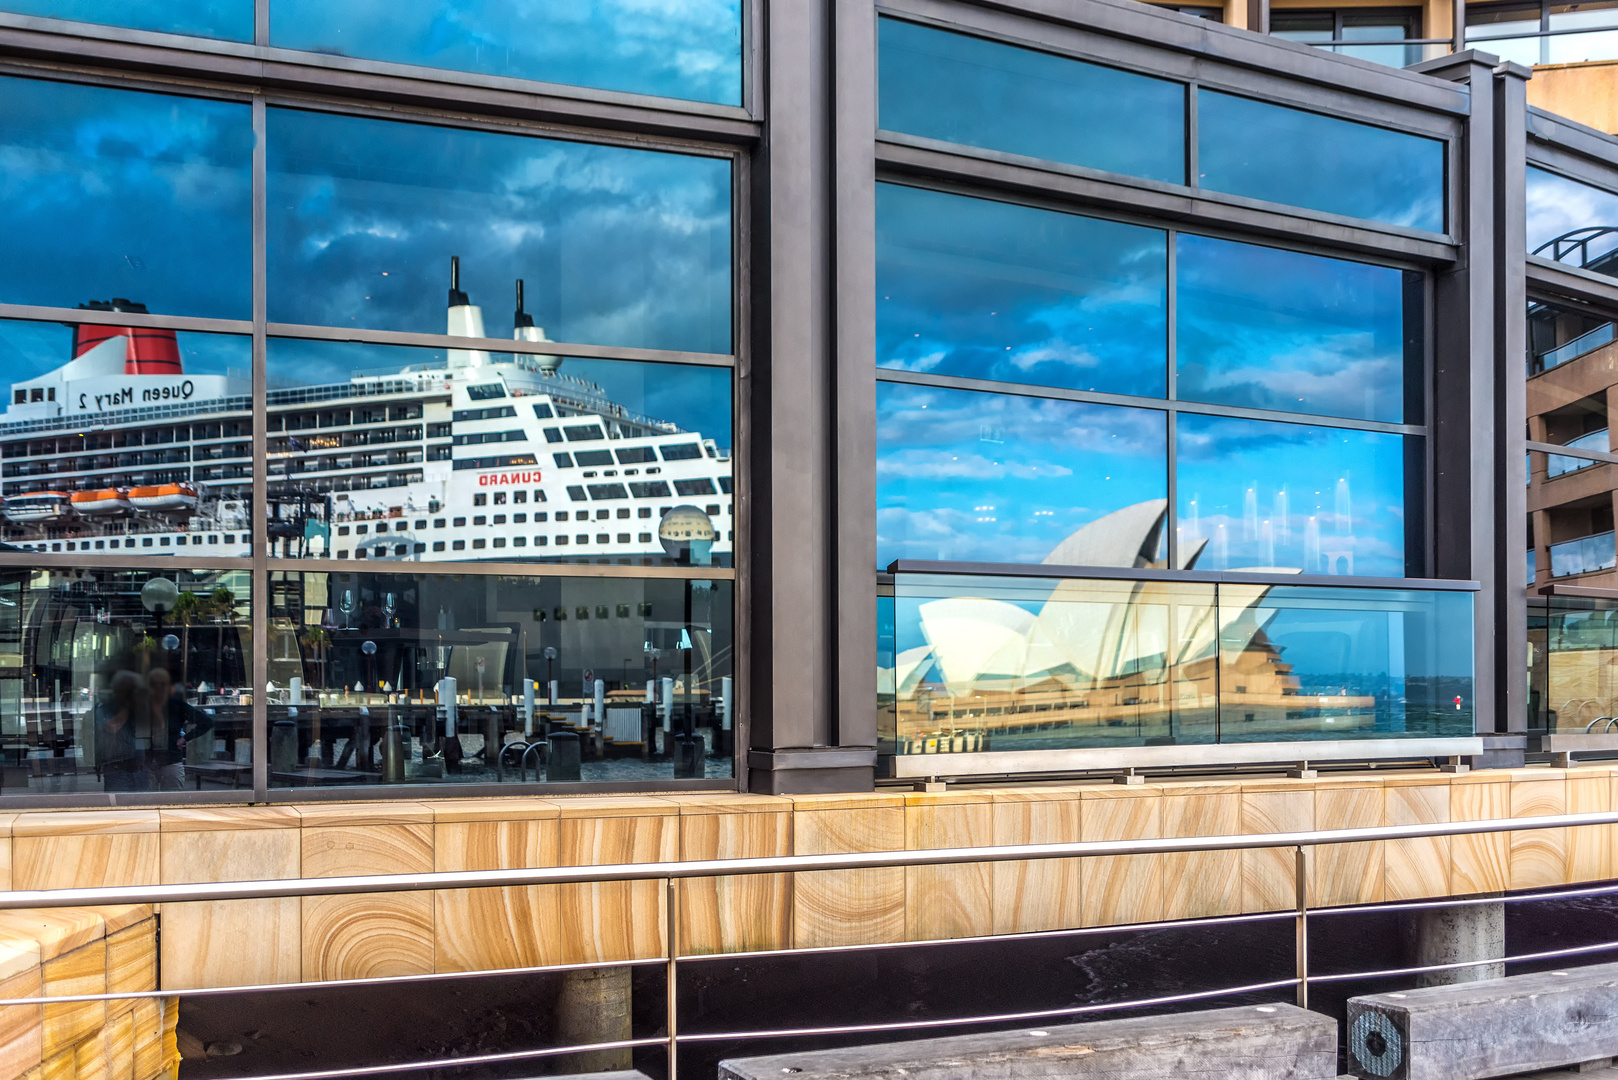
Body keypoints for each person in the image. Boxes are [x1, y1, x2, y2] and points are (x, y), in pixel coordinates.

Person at [148, 668, 214, 791]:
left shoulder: (176, 705)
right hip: (148, 763)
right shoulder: (143, 706)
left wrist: (185, 738)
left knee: (172, 801)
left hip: (170, 761)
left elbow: (206, 722)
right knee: (145, 803)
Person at [96, 671, 148, 791]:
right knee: (120, 806)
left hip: (140, 770)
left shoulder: (139, 709)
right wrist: (127, 708)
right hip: (117, 770)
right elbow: (112, 727)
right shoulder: (106, 709)